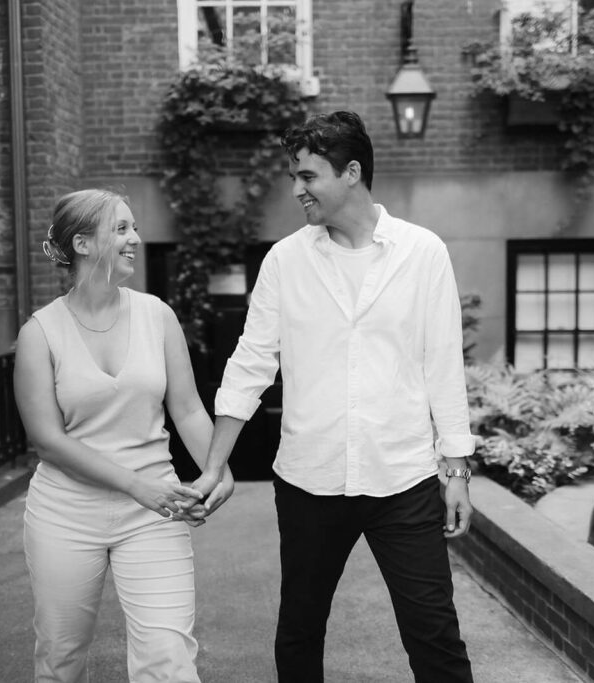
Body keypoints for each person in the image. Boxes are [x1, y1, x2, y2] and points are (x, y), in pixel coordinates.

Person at [191, 111, 476, 682]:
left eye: (307, 176)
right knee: (299, 630)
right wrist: (212, 465)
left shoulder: (423, 253)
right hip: (309, 481)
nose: (296, 189)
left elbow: (442, 363)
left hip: (403, 478)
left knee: (434, 633)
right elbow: (250, 365)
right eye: (294, 176)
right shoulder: (284, 260)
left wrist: (457, 467)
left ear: (351, 172)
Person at [13, 188, 233, 683]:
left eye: (133, 227)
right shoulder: (39, 334)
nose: (135, 238)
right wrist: (137, 485)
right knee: (61, 657)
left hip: (155, 512)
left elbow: (188, 409)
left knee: (168, 660)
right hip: (66, 514)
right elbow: (48, 440)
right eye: (121, 229)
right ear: (83, 243)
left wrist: (217, 470)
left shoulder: (158, 315)